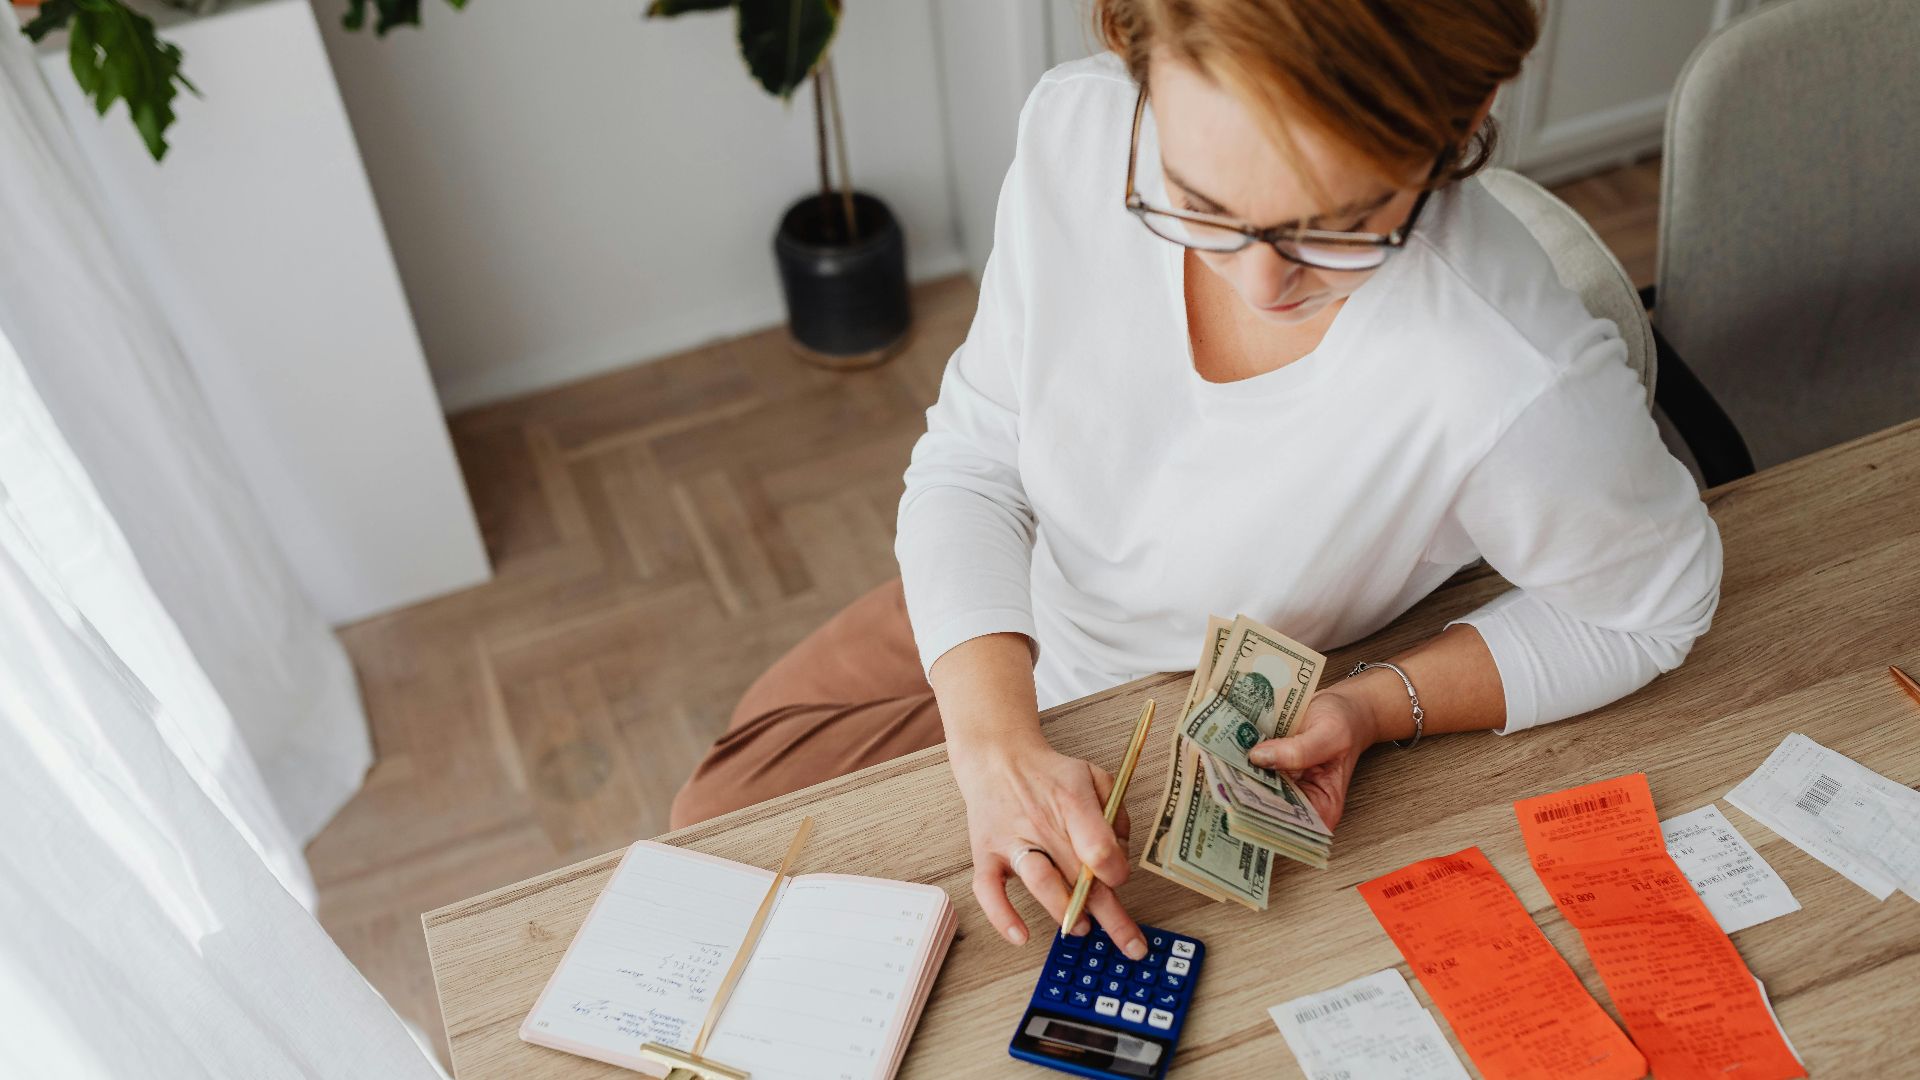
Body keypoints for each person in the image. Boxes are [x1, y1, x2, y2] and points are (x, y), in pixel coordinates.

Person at [672, 0, 1721, 965]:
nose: (1259, 280)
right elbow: (977, 455)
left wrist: (1375, 708)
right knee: (708, 825)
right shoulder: (1080, 131)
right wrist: (993, 745)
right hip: (1013, 590)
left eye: (1340, 225)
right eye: (1196, 201)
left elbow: (1654, 612)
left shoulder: (1504, 375)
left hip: (1153, 713)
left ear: (1467, 113)